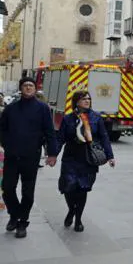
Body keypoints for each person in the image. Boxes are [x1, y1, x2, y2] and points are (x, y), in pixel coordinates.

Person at [0, 77, 58, 238]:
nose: (28, 88)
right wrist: (7, 144)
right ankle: (14, 214)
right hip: (12, 156)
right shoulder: (10, 109)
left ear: (35, 89)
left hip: (31, 156)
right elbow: (2, 129)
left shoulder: (42, 108)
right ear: (21, 89)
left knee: (28, 192)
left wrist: (52, 153)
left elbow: (49, 132)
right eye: (25, 85)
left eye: (30, 85)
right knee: (8, 188)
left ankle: (22, 222)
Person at [55, 90, 115, 232]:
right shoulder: (68, 118)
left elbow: (104, 137)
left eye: (88, 99)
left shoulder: (96, 118)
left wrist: (110, 155)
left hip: (88, 158)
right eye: (83, 99)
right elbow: (60, 138)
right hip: (70, 157)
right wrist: (53, 154)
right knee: (68, 187)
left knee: (82, 189)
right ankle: (71, 210)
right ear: (76, 101)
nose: (87, 101)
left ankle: (78, 219)